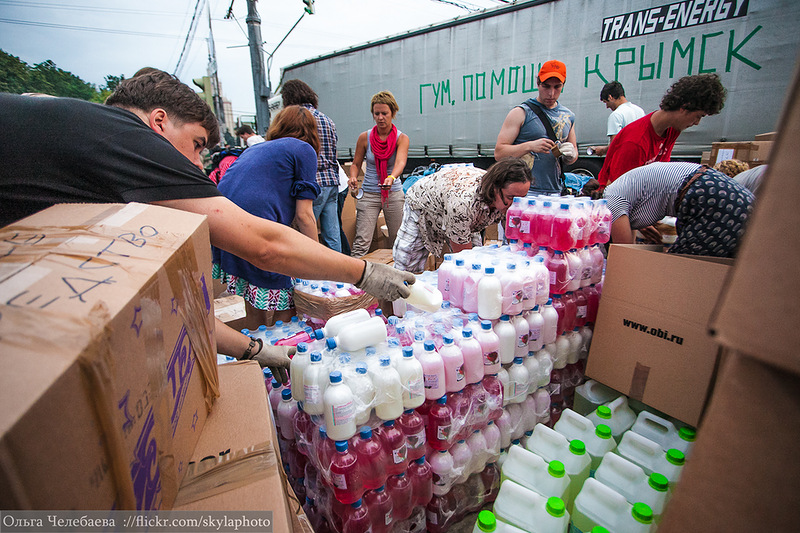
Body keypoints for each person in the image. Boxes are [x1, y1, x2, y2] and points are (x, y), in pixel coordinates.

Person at [0, 70, 414, 379]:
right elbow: (264, 244)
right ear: (159, 121)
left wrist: (250, 348)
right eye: (197, 145)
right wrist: (365, 272)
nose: (198, 165)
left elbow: (164, 301)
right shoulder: (128, 136)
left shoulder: (88, 154)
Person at [214, 105, 321, 327]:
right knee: (287, 307)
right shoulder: (303, 149)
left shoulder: (256, 149)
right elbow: (304, 216)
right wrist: (317, 263)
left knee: (256, 312)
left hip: (224, 227)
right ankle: (280, 356)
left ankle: (253, 357)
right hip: (257, 228)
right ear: (311, 131)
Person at [393, 158, 533, 272]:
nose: (516, 205)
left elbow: (515, 243)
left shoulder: (507, 201)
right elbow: (464, 258)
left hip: (462, 209)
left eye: (521, 198)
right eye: (511, 198)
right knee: (407, 265)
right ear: (495, 188)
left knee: (479, 258)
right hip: (423, 203)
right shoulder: (462, 204)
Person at [597, 74, 727, 189]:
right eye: (699, 116)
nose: (697, 123)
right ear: (685, 107)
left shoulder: (671, 130)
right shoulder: (635, 142)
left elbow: (660, 174)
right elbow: (615, 192)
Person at [604, 162, 754, 258]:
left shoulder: (612, 201)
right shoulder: (622, 190)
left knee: (680, 268)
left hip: (712, 198)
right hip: (730, 195)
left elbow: (625, 255)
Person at [494, 59, 578, 195]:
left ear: (563, 85)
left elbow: (573, 152)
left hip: (555, 192)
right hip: (526, 192)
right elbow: (499, 153)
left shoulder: (568, 116)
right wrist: (530, 146)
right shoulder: (521, 112)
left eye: (557, 87)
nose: (551, 93)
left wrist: (571, 155)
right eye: (546, 86)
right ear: (538, 83)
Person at [282, 79, 342, 252]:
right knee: (332, 235)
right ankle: (337, 272)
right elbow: (334, 152)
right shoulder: (327, 120)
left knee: (305, 234)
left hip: (311, 182)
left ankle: (309, 274)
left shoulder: (297, 120)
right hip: (331, 181)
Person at [348, 90, 410, 258]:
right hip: (369, 193)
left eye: (385, 113)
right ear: (373, 114)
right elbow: (355, 164)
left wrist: (391, 177)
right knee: (362, 241)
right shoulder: (364, 137)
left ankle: (399, 276)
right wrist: (353, 177)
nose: (380, 117)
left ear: (393, 113)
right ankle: (353, 279)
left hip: (393, 193)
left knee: (398, 239)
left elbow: (400, 163)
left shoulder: (401, 138)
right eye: (377, 113)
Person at [587, 81, 645, 156]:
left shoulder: (616, 115)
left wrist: (602, 150)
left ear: (610, 97)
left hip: (625, 158)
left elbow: (615, 145)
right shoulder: (640, 111)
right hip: (641, 157)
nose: (607, 106)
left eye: (606, 102)